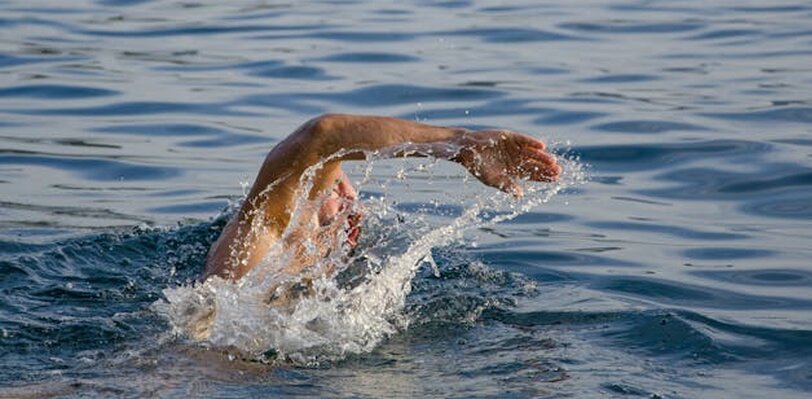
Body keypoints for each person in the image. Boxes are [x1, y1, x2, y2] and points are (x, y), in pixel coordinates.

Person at [201, 114, 562, 282]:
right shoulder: (258, 240)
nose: (344, 191)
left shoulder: (306, 281)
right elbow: (323, 136)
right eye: (331, 180)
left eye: (341, 184)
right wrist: (461, 144)